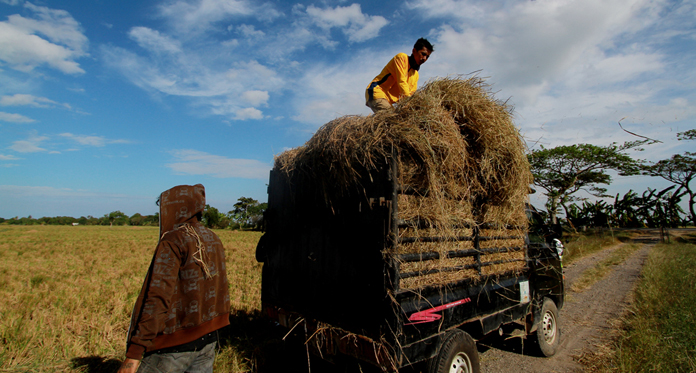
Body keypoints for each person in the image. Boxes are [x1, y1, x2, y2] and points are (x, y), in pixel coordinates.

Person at [118, 184, 231, 373]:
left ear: (174, 207)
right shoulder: (213, 237)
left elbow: (157, 297)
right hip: (208, 339)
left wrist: (134, 354)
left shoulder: (173, 240)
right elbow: (221, 289)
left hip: (172, 347)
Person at [365, 38, 434, 113]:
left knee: (398, 120)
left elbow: (411, 93)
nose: (424, 58)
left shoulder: (415, 74)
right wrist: (409, 101)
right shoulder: (401, 58)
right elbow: (401, 81)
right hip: (377, 91)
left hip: (388, 101)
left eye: (427, 56)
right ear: (414, 51)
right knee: (390, 119)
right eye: (423, 54)